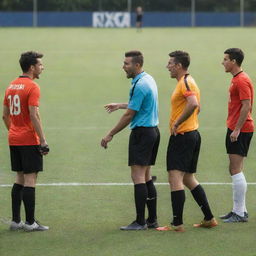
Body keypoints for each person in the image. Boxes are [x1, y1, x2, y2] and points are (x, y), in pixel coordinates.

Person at [157, 50, 217, 232]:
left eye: (170, 64)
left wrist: (178, 122)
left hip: (183, 137)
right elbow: (198, 107)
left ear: (179, 66)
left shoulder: (185, 83)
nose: (167, 66)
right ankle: (209, 218)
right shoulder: (190, 81)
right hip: (192, 134)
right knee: (189, 178)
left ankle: (177, 223)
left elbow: (193, 104)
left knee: (175, 178)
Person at [101, 50, 160, 230]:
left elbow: (129, 115)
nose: (123, 66)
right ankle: (152, 220)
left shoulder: (140, 85)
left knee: (138, 177)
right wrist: (119, 105)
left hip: (142, 134)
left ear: (137, 65)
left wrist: (110, 133)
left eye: (126, 64)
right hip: (153, 131)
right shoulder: (147, 79)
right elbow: (138, 104)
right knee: (147, 176)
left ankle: (140, 221)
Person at [2, 51, 50, 231]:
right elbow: (34, 114)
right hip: (29, 140)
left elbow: (5, 115)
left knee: (19, 178)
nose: (42, 68)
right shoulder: (32, 87)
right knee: (31, 179)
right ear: (32, 67)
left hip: (14, 139)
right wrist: (43, 140)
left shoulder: (11, 85)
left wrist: (14, 131)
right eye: (40, 65)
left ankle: (16, 221)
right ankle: (30, 223)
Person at [220, 48, 254, 223]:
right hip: (235, 127)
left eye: (225, 59)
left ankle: (239, 213)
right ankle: (239, 210)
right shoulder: (237, 79)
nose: (222, 62)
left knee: (235, 169)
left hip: (239, 129)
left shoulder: (241, 80)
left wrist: (237, 129)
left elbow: (246, 106)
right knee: (235, 169)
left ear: (233, 61)